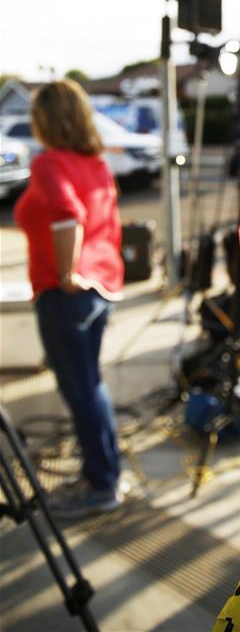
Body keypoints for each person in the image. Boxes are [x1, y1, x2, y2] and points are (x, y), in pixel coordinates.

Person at [15, 79, 124, 517]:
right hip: (99, 289)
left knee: (81, 390)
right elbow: (107, 223)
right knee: (90, 387)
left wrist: (63, 273)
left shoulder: (49, 164)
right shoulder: (94, 163)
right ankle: (106, 473)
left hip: (69, 294)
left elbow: (68, 217)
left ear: (44, 119)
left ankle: (102, 485)